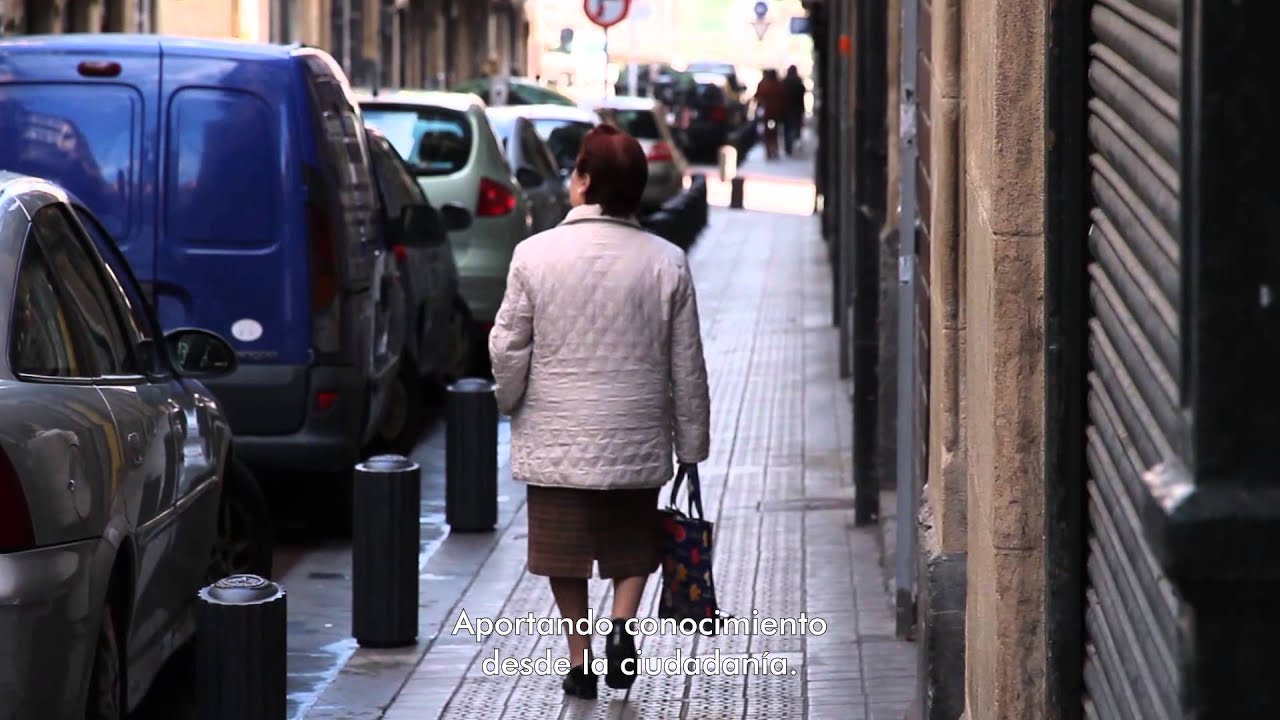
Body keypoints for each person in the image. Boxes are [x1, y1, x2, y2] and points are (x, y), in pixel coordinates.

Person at [488, 124, 711, 699]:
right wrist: (691, 447)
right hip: (635, 435)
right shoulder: (667, 261)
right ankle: (621, 628)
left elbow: (508, 344)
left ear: (585, 181)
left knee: (561, 550)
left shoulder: (533, 255)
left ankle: (580, 656)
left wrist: (508, 397)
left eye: (575, 171)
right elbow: (687, 364)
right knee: (633, 544)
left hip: (557, 434)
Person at [754, 69, 786, 159]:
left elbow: (757, 97)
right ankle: (774, 150)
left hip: (767, 113)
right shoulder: (778, 85)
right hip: (775, 113)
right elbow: (783, 98)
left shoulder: (764, 84)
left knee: (768, 132)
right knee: (774, 132)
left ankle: (769, 151)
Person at [782, 65, 806, 155]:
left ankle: (788, 147)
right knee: (796, 128)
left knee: (787, 129)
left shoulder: (785, 82)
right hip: (796, 109)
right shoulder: (798, 82)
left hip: (787, 109)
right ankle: (795, 144)